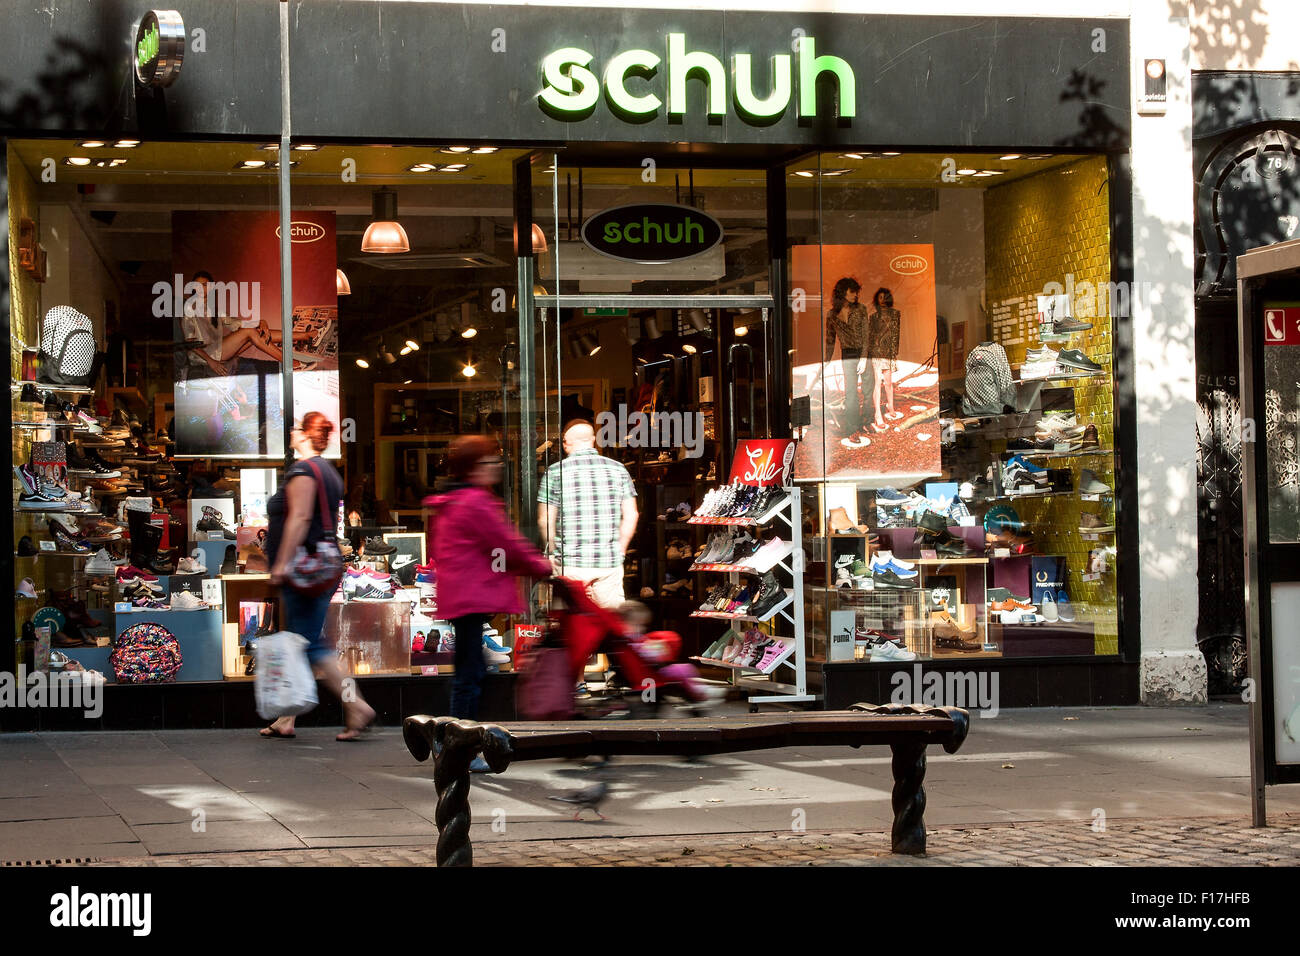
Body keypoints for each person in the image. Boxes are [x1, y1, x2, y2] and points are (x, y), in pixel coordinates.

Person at [425, 435, 551, 749]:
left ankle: (450, 737)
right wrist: (542, 566)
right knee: (470, 674)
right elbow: (505, 544)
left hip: (462, 596)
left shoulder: (455, 501)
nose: (496, 465)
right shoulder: (475, 502)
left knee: (469, 669)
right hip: (471, 596)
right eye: (489, 461)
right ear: (473, 467)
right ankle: (459, 744)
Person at [259, 412, 375, 741]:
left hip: (304, 569)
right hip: (322, 564)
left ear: (307, 435)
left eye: (297, 428)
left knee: (312, 646)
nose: (292, 432)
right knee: (304, 640)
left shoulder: (304, 470)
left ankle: (357, 706)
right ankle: (286, 718)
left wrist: (280, 563)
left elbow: (300, 517)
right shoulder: (329, 472)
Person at [538, 420, 639, 609]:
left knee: (571, 629)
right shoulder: (618, 469)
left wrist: (552, 553)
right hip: (608, 563)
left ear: (566, 443)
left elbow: (545, 520)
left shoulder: (554, 472)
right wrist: (620, 550)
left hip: (569, 565)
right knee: (611, 626)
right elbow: (631, 515)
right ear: (593, 440)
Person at [824, 277, 873, 448]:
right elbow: (830, 340)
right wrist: (826, 361)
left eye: (856, 291)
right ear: (843, 292)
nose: (855, 295)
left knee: (868, 390)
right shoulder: (832, 315)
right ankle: (853, 429)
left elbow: (866, 334)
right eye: (852, 291)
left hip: (864, 353)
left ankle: (867, 421)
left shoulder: (861, 309)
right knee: (851, 393)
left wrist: (865, 357)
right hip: (848, 355)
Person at [868, 286, 903, 432]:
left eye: (884, 297)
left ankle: (891, 407)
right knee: (877, 384)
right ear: (877, 299)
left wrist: (894, 352)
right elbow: (871, 336)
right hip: (876, 352)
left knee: (888, 383)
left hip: (888, 353)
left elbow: (896, 333)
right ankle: (878, 415)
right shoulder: (874, 317)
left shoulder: (895, 314)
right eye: (880, 297)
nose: (882, 300)